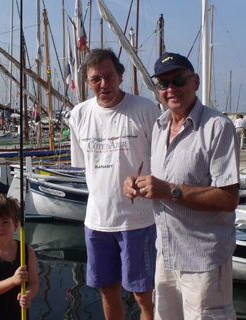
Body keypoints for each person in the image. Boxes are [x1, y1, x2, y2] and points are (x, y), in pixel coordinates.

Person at [123, 52, 239, 320]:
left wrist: (169, 191)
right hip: (166, 255)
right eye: (163, 84)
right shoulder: (160, 126)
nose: (171, 89)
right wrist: (135, 185)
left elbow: (228, 198)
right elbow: (159, 179)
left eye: (178, 80)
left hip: (204, 261)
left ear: (195, 82)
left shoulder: (218, 127)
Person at [69, 48, 160, 320]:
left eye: (109, 76)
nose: (103, 84)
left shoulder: (145, 109)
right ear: (87, 82)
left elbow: (164, 162)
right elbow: (85, 166)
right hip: (96, 221)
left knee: (144, 295)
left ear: (120, 76)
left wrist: (146, 181)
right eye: (96, 79)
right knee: (108, 291)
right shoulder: (79, 115)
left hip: (139, 221)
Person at [0, 194, 39, 320]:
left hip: (18, 313)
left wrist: (28, 295)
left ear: (16, 225)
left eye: (5, 222)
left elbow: (33, 283)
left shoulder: (27, 251)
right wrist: (13, 280)